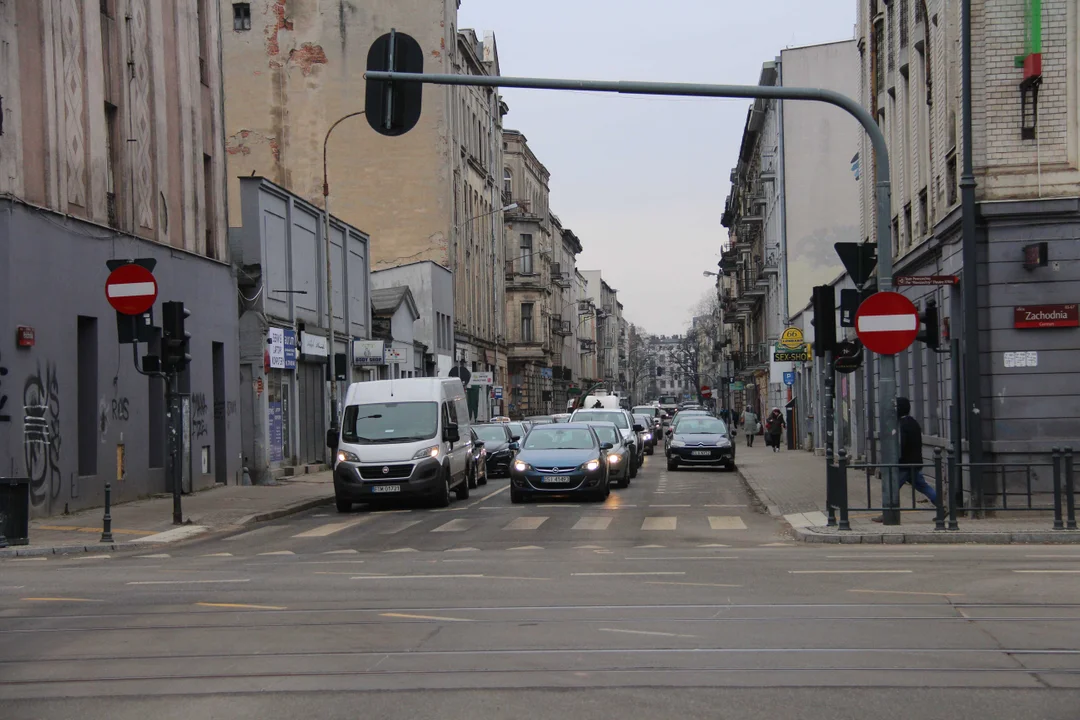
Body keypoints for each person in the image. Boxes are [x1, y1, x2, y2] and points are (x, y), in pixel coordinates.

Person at [873, 396, 937, 522]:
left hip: (905, 464)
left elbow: (901, 445)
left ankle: (888, 514)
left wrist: (895, 458)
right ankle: (942, 506)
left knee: (891, 487)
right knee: (923, 486)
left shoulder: (902, 425)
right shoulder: (913, 423)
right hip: (915, 462)